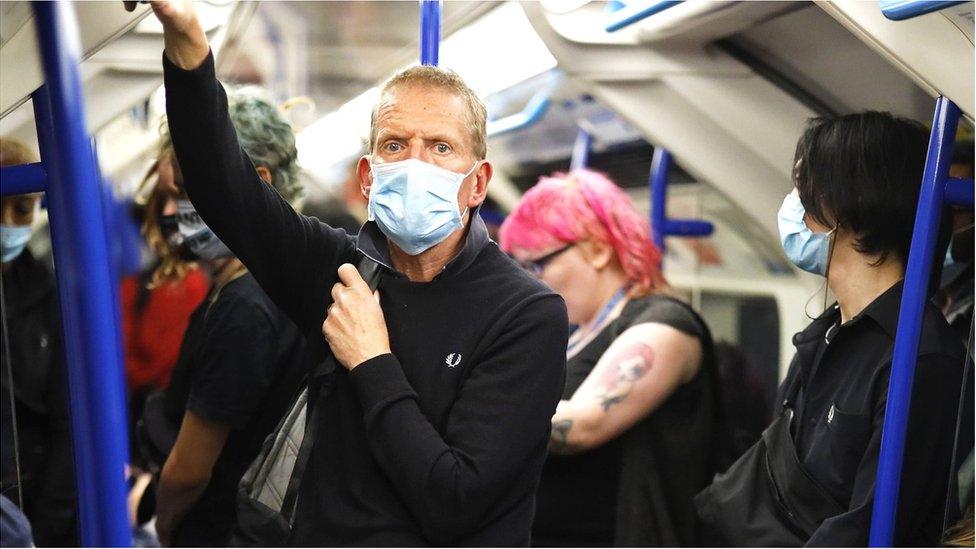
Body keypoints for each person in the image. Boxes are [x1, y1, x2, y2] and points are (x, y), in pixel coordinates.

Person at [128, 1, 567, 545]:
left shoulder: (526, 314)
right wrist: (189, 45)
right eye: (395, 146)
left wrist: (371, 360)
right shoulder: (341, 270)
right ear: (368, 176)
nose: (415, 164)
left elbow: (456, 500)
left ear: (478, 184)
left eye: (441, 147)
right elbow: (226, 190)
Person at [695, 111, 967, 546]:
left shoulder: (920, 359)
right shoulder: (825, 336)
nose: (793, 206)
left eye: (805, 191)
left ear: (852, 203)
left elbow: (866, 530)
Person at [499, 169, 721, 546]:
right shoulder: (579, 330)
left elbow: (582, 425)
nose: (532, 280)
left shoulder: (663, 328)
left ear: (598, 249)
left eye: (538, 264)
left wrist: (476, 404)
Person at [151, 90, 310, 547]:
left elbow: (189, 471)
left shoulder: (246, 306)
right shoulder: (282, 279)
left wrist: (161, 524)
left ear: (255, 181)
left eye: (186, 189)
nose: (172, 211)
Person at [0, 137, 78, 547]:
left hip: (33, 493)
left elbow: (67, 419)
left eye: (22, 209)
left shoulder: (49, 292)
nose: (8, 222)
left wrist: (45, 531)